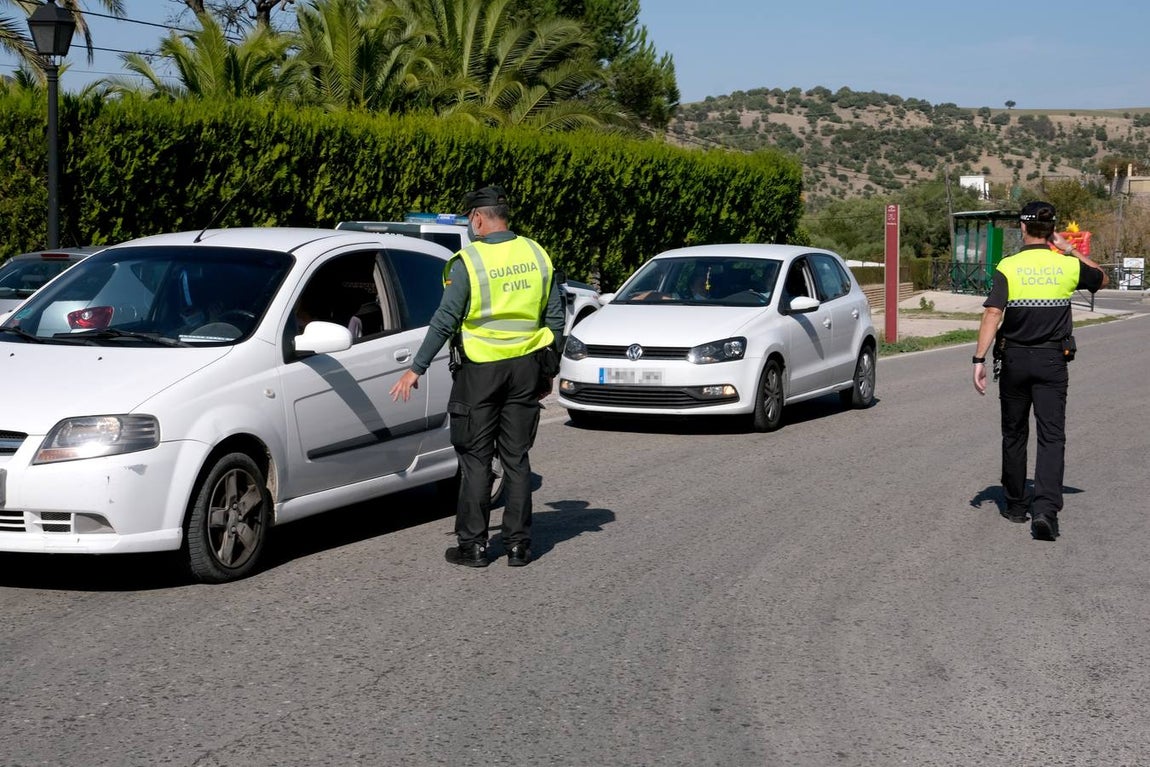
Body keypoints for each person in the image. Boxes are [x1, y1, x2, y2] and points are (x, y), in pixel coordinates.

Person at [389, 185, 565, 567]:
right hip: (526, 368)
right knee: (517, 458)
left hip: (481, 372)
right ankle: (519, 547)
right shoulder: (537, 254)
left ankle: (474, 546)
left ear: (479, 218)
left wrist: (415, 368)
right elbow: (555, 316)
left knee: (476, 459)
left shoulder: (467, 262)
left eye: (471, 218)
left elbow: (445, 320)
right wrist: (547, 369)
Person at [972, 200, 1108, 541]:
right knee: (1051, 435)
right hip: (1052, 361)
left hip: (1015, 360)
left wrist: (978, 360)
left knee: (1014, 433)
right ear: (1052, 231)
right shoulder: (1067, 266)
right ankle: (1046, 510)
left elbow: (992, 314)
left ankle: (1016, 505)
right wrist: (1070, 251)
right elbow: (1103, 279)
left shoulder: (1009, 265)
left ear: (1022, 228)